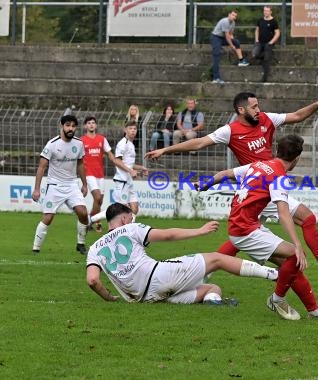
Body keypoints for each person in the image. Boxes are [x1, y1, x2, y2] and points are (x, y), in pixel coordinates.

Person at [146, 91, 318, 284]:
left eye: (258, 105)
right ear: (241, 110)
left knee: (240, 238)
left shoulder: (267, 119)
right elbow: (199, 143)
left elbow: (298, 116)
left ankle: (204, 273)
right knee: (306, 218)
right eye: (254, 107)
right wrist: (165, 150)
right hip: (261, 189)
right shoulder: (230, 131)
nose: (258, 110)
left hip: (269, 184)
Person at [198, 135, 318, 320]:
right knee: (294, 254)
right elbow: (283, 213)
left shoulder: (258, 164)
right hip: (245, 231)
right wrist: (298, 245)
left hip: (245, 227)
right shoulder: (279, 177)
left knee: (291, 265)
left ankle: (315, 312)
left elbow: (225, 174)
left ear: (277, 151)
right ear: (297, 158)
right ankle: (276, 299)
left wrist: (206, 185)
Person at [86, 203, 279, 304]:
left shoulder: (94, 249)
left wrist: (109, 298)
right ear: (124, 219)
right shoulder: (130, 228)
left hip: (143, 298)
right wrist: (199, 231)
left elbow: (93, 280)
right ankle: (275, 274)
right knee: (217, 259)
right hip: (158, 276)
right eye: (131, 217)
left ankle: (214, 302)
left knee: (212, 289)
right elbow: (168, 235)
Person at [31, 115, 89, 255]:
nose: (70, 128)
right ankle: (36, 248)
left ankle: (80, 244)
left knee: (83, 212)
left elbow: (81, 164)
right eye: (68, 125)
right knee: (48, 217)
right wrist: (37, 189)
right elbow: (41, 167)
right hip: (54, 185)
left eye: (73, 126)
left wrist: (84, 184)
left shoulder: (79, 143)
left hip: (71, 185)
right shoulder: (52, 144)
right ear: (61, 126)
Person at [80, 116, 116, 233]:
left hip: (100, 174)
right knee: (97, 197)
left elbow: (110, 154)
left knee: (99, 201)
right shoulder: (81, 140)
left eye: (93, 123)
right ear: (85, 126)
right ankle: (92, 220)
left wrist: (116, 161)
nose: (91, 125)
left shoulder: (102, 139)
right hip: (88, 173)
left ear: (96, 125)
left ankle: (92, 220)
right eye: (89, 123)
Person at [210, 10, 249, 84]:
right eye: (232, 15)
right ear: (229, 15)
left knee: (236, 42)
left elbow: (231, 35)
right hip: (216, 37)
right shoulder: (225, 21)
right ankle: (216, 78)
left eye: (235, 16)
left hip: (223, 38)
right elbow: (227, 36)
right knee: (217, 54)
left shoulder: (233, 23)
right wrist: (231, 46)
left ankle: (241, 60)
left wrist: (234, 44)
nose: (233, 17)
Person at [252, 6, 280, 82]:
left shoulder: (274, 21)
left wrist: (271, 42)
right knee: (255, 55)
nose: (265, 12)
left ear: (270, 12)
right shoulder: (260, 20)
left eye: (267, 11)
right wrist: (257, 40)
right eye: (264, 11)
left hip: (269, 43)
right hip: (260, 42)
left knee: (266, 59)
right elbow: (257, 30)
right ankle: (266, 55)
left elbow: (277, 33)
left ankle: (265, 77)